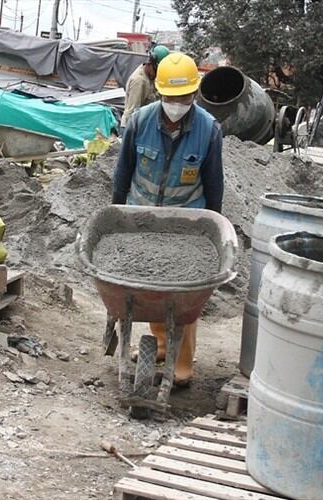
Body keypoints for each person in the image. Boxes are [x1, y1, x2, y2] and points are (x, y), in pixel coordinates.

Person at [112, 52, 223, 385]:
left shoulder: (208, 129)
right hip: (143, 218)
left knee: (183, 295)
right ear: (160, 93)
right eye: (172, 97)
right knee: (149, 287)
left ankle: (182, 365)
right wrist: (116, 214)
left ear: (194, 94)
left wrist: (211, 227)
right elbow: (123, 171)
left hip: (186, 224)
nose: (178, 103)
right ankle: (160, 344)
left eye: (184, 96)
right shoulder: (140, 121)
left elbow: (214, 181)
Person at [120, 45, 170, 132]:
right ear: (150, 64)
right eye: (158, 70)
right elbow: (133, 112)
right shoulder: (139, 81)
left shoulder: (149, 76)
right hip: (132, 128)